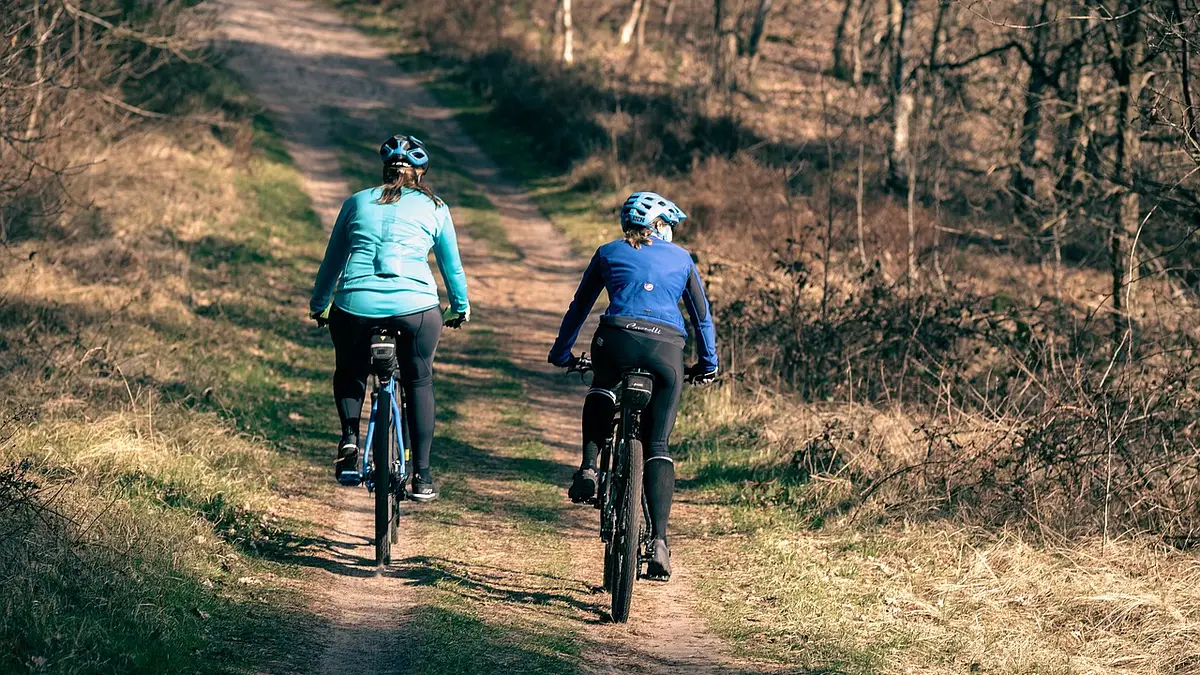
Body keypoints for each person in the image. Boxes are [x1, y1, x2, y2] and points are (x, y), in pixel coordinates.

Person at [548, 191, 718, 581]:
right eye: (669, 225)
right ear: (659, 226)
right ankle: (658, 540)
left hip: (617, 340)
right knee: (657, 445)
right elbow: (702, 318)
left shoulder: (608, 252)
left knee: (602, 387)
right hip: (666, 352)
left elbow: (579, 306)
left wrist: (562, 353)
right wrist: (707, 366)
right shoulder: (682, 259)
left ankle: (590, 467)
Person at [310, 134, 470, 502]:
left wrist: (319, 304)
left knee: (350, 371)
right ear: (420, 173)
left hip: (355, 307)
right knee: (419, 380)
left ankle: (350, 442)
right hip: (416, 310)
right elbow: (452, 269)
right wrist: (459, 308)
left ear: (385, 171)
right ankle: (423, 475)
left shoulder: (355, 202)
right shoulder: (436, 208)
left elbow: (332, 262)